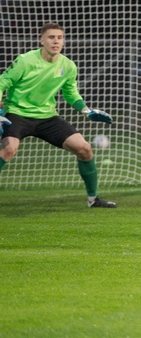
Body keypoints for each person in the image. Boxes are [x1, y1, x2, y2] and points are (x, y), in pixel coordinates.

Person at [0, 22, 116, 207]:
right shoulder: (25, 61)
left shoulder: (68, 66)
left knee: (84, 149)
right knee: (8, 149)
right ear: (42, 40)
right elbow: (2, 83)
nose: (56, 41)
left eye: (60, 38)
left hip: (47, 117)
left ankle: (93, 200)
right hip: (17, 113)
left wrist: (86, 110)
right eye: (51, 37)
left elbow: (71, 93)